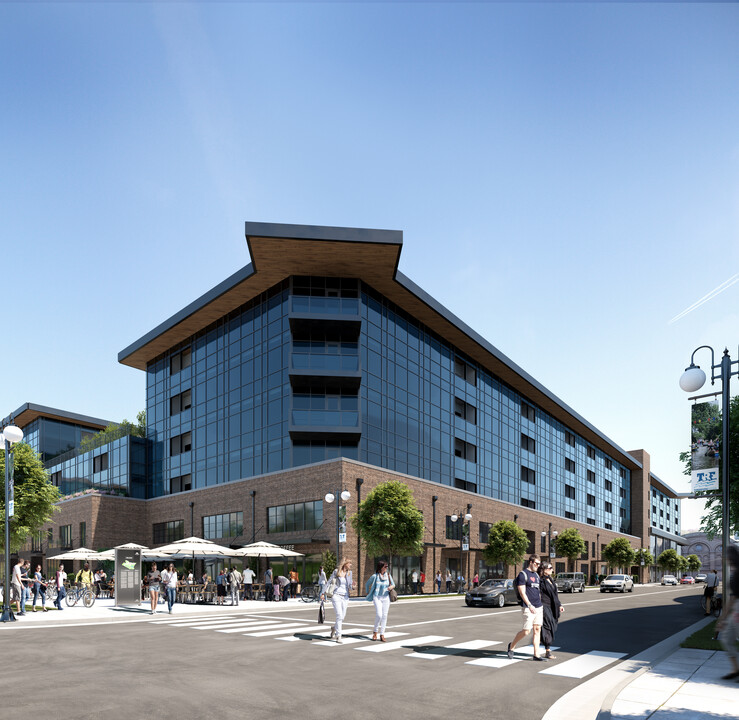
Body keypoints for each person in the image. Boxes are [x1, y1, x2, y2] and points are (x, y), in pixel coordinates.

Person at [507, 554, 546, 661]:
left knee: (537, 630)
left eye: (539, 564)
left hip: (538, 607)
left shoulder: (537, 576)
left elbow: (537, 591)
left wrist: (540, 603)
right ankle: (511, 647)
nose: (538, 566)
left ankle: (536, 655)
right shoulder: (523, 575)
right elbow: (522, 592)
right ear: (531, 562)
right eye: (536, 564)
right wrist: (529, 605)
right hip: (528, 607)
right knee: (526, 631)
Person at [718, 545, 739, 681]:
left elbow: (732, 598)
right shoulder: (734, 573)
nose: (724, 558)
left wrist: (722, 618)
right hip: (736, 609)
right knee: (726, 638)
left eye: (725, 556)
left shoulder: (736, 575)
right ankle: (736, 669)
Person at [321, 558, 354, 643]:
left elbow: (350, 586)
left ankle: (334, 628)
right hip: (336, 596)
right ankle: (338, 636)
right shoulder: (336, 572)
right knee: (339, 615)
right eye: (349, 563)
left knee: (342, 616)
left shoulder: (349, 573)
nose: (350, 565)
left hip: (345, 597)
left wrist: (353, 586)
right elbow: (328, 582)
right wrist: (322, 593)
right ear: (345, 564)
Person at [538, 562, 564, 659]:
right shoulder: (540, 581)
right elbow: (538, 594)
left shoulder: (551, 580)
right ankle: (547, 650)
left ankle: (544, 644)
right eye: (550, 568)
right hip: (544, 606)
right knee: (547, 626)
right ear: (544, 569)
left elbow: (555, 595)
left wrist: (559, 605)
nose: (552, 570)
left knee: (553, 626)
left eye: (552, 568)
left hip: (553, 606)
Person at [365, 560, 395, 642]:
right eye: (385, 566)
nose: (387, 568)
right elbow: (367, 584)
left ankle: (382, 634)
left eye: (387, 566)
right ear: (381, 567)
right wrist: (368, 592)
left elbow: (393, 584)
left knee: (384, 616)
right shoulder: (375, 576)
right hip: (377, 597)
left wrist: (390, 587)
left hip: (386, 597)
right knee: (379, 615)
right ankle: (375, 632)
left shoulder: (388, 575)